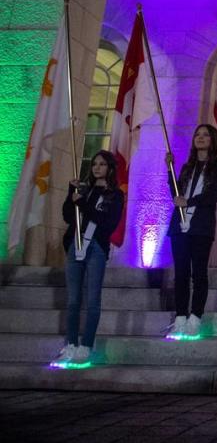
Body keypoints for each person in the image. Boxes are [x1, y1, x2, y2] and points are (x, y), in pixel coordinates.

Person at [50, 150, 124, 367]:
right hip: (76, 245)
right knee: (73, 300)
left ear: (110, 168)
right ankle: (71, 344)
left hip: (96, 249)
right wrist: (71, 193)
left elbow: (106, 222)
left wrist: (83, 203)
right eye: (94, 164)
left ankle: (86, 345)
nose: (97, 168)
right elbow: (67, 214)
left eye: (102, 164)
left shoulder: (115, 194)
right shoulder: (85, 190)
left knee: (92, 300)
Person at [165, 124, 217, 339]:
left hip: (200, 226)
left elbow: (214, 195)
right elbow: (176, 193)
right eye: (197, 134)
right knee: (181, 273)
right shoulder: (186, 167)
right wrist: (169, 170)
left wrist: (188, 201)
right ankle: (180, 317)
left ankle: (195, 318)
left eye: (205, 135)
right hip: (180, 226)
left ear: (212, 140)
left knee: (198, 273)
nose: (200, 138)